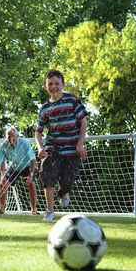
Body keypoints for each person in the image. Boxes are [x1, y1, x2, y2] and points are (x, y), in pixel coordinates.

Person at [35, 69, 88, 222]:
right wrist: (40, 148)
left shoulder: (72, 100)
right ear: (45, 86)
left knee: (68, 183)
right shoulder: (45, 108)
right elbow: (38, 132)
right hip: (53, 148)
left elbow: (83, 122)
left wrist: (80, 144)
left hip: (72, 149)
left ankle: (63, 192)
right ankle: (50, 211)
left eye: (57, 83)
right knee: (47, 175)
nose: (54, 87)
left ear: (63, 84)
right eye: (50, 84)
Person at [0, 127, 38, 215]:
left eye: (13, 136)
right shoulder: (4, 145)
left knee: (32, 184)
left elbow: (33, 160)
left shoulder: (25, 143)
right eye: (8, 137)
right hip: (14, 167)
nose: (11, 138)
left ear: (17, 136)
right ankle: (2, 209)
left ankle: (34, 210)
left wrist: (31, 175)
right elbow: (2, 161)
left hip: (27, 166)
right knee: (2, 184)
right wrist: (3, 175)